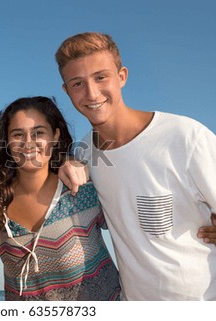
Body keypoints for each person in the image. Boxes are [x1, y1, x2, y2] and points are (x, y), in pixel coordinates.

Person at [55, 32, 216, 300]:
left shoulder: (186, 136)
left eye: (100, 77)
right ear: (66, 90)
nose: (91, 93)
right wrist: (69, 160)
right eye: (77, 83)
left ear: (122, 76)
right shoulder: (84, 152)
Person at [0, 96, 121, 301]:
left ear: (55, 136)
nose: (28, 143)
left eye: (38, 133)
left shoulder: (82, 190)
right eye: (18, 134)